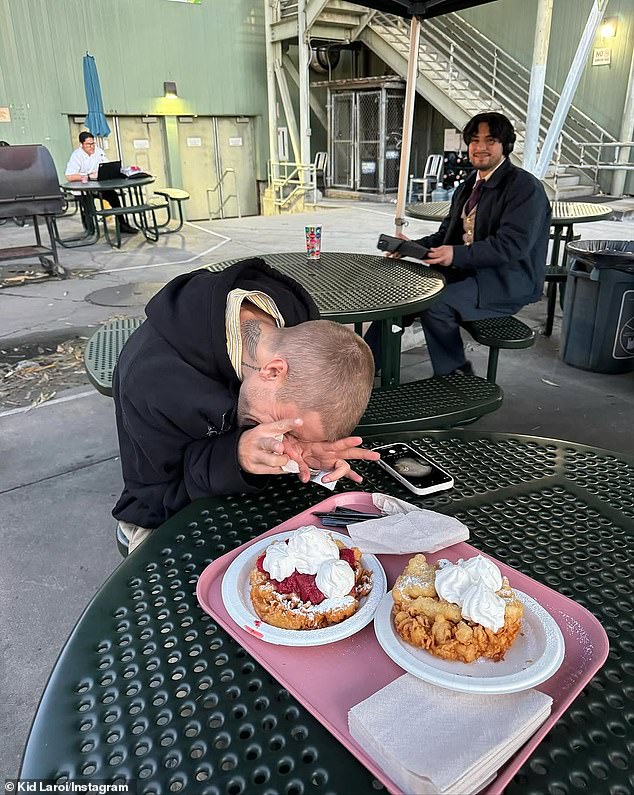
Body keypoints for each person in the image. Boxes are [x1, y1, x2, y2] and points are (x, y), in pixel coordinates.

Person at [113, 257, 379, 553]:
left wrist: (308, 447)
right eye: (284, 425)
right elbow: (158, 496)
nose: (282, 440)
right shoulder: (150, 380)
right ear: (273, 371)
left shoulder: (299, 319)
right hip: (164, 514)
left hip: (243, 496)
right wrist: (235, 455)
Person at [369, 111, 551, 376]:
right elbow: (447, 235)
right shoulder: (469, 185)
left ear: (506, 146)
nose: (480, 148)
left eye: (491, 141)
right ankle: (366, 366)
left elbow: (511, 246)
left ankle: (456, 375)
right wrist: (410, 246)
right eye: (475, 140)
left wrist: (455, 255)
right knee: (403, 294)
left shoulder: (525, 188)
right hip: (468, 273)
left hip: (505, 281)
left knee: (435, 304)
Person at [64, 131, 138, 234]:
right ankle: (90, 229)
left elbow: (107, 166)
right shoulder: (76, 156)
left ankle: (122, 224)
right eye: (88, 144)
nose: (92, 146)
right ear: (81, 144)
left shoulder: (98, 152)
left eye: (93, 143)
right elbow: (69, 176)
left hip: (98, 186)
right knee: (88, 204)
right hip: (83, 189)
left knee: (113, 196)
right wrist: (87, 176)